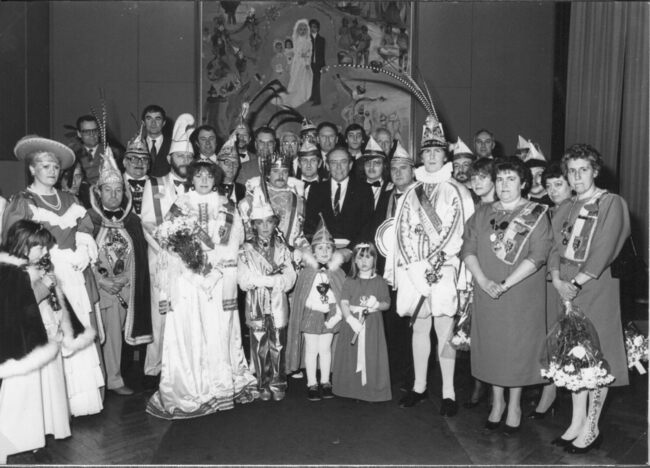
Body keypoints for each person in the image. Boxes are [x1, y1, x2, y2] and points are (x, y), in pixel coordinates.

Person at [3, 136, 105, 417]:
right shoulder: (22, 202)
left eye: (56, 167)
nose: (51, 171)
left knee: (77, 329)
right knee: (52, 333)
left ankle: (79, 403)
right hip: (44, 277)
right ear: (32, 169)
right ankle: (55, 409)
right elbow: (16, 244)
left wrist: (83, 245)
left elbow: (85, 225)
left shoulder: (70, 199)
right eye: (45, 166)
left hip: (74, 273)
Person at [147, 160, 257, 419]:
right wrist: (193, 266)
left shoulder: (227, 205)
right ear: (192, 179)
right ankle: (194, 387)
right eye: (199, 175)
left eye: (209, 175)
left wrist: (215, 268)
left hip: (218, 278)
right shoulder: (181, 204)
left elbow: (235, 240)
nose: (204, 180)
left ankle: (219, 386)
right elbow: (168, 239)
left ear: (215, 178)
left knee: (218, 329)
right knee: (192, 329)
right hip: (188, 279)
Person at [383, 116, 474, 417]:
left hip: (444, 267)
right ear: (421, 156)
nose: (432, 156)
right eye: (427, 152)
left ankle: (448, 392)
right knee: (419, 326)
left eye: (437, 151)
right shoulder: (412, 191)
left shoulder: (458, 190)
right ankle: (419, 386)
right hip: (415, 269)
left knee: (444, 329)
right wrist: (414, 265)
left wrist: (437, 259)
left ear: (445, 156)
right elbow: (402, 230)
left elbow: (460, 230)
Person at [548, 144, 630, 453]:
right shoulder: (566, 206)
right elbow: (553, 247)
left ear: (595, 171)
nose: (577, 176)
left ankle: (592, 427)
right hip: (565, 287)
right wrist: (558, 279)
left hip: (594, 286)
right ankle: (576, 421)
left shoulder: (611, 203)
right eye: (571, 171)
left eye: (583, 170)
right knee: (574, 357)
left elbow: (605, 248)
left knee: (596, 356)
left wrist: (574, 283)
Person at [461, 156, 552, 434]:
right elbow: (468, 249)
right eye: (499, 179)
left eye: (511, 179)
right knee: (493, 347)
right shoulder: (482, 213)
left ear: (523, 183)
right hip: (487, 290)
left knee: (516, 349)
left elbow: (538, 255)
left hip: (521, 293)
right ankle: (497, 402)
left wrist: (505, 284)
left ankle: (514, 405)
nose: (504, 184)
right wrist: (483, 280)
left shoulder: (537, 213)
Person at [0, 220, 94, 463]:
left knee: (44, 390)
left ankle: (37, 437)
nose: (45, 252)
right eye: (39, 247)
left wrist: (61, 319)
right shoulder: (9, 270)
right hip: (23, 345)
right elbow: (16, 306)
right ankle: (13, 441)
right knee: (23, 392)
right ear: (23, 245)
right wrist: (44, 286)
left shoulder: (36, 266)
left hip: (45, 333)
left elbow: (51, 300)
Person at [88, 165, 153, 396]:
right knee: (106, 336)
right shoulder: (89, 219)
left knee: (119, 337)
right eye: (108, 190)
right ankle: (107, 381)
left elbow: (140, 255)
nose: (113, 195)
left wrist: (127, 277)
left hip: (126, 287)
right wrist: (100, 280)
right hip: (101, 289)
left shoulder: (132, 221)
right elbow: (81, 256)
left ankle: (115, 377)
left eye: (118, 190)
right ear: (99, 192)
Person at [140, 114, 193, 387]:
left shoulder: (199, 186)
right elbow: (148, 224)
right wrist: (169, 250)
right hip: (162, 260)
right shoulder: (154, 184)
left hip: (192, 263)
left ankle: (185, 367)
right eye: (180, 156)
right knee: (161, 315)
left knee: (187, 315)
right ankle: (155, 368)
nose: (184, 161)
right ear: (170, 158)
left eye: (189, 157)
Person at [237, 193, 297, 402]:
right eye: (260, 222)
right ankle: (262, 382)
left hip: (278, 301)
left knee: (278, 342)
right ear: (253, 225)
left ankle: (278, 382)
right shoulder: (245, 249)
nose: (265, 226)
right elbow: (244, 280)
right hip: (256, 302)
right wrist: (270, 280)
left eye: (269, 222)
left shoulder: (282, 248)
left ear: (274, 224)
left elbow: (290, 278)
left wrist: (272, 280)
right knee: (258, 343)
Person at [527, 161, 573, 419]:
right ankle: (549, 388)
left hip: (560, 281)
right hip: (544, 281)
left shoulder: (573, 209)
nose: (553, 190)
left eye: (558, 184)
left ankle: (550, 393)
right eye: (549, 186)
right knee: (548, 337)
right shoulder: (549, 210)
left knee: (556, 337)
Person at [287, 216, 345, 400]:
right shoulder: (306, 273)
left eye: (328, 248)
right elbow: (301, 297)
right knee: (312, 350)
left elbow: (341, 296)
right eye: (320, 248)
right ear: (313, 251)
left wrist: (337, 316)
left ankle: (326, 381)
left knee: (325, 349)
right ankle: (312, 383)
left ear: (333, 250)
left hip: (331, 315)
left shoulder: (338, 272)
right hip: (311, 314)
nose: (324, 251)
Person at [332, 242, 391, 402]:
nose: (364, 261)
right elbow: (344, 302)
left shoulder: (380, 282)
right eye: (360, 257)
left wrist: (377, 304)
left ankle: (371, 391)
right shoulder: (350, 281)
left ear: (374, 259)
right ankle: (352, 390)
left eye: (368, 257)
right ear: (354, 261)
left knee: (371, 356)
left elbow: (387, 303)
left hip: (372, 326)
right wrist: (350, 319)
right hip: (352, 325)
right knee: (351, 356)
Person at [463, 157, 497, 409]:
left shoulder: (503, 206)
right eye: (473, 178)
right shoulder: (471, 205)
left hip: (495, 275)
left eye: (482, 177)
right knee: (475, 333)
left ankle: (498, 388)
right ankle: (479, 383)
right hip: (473, 273)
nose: (476, 182)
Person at [304, 147, 374, 249]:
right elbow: (309, 226)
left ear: (350, 165)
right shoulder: (316, 189)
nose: (338, 167)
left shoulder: (364, 190)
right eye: (333, 163)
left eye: (343, 162)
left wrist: (349, 250)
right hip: (322, 251)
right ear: (327, 166)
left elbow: (367, 226)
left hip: (354, 252)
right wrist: (321, 249)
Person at [239, 152, 308, 251]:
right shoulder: (253, 198)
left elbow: (298, 236)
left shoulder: (298, 201)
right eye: (275, 171)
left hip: (287, 254)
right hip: (257, 253)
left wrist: (305, 252)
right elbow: (243, 234)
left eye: (284, 171)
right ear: (267, 173)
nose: (281, 176)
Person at [280, 19, 313, 108]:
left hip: (304, 63)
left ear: (307, 31)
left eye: (304, 29)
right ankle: (291, 96)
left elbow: (309, 53)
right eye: (300, 29)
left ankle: (302, 96)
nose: (302, 31)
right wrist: (294, 56)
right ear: (297, 30)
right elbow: (294, 51)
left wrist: (307, 62)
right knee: (294, 79)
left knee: (303, 80)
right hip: (296, 62)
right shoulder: (296, 39)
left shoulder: (308, 41)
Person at [122, 129, 151, 216]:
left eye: (144, 159)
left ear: (149, 165)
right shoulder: (115, 184)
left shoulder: (158, 185)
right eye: (134, 158)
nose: (139, 163)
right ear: (124, 162)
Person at [142, 105, 171, 177]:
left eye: (157, 119)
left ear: (163, 123)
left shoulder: (173, 145)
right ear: (143, 123)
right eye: (149, 118)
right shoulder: (136, 145)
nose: (153, 123)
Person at [216, 132, 246, 204]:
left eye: (235, 163)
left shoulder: (243, 190)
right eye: (227, 162)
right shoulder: (210, 188)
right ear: (217, 163)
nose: (231, 166)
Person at [309, 19, 326, 106]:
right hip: (309, 63)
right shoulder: (307, 39)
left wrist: (323, 65)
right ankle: (312, 96)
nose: (313, 29)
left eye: (315, 27)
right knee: (310, 80)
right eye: (311, 27)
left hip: (318, 63)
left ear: (318, 28)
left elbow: (322, 53)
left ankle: (317, 100)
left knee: (317, 81)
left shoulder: (322, 40)